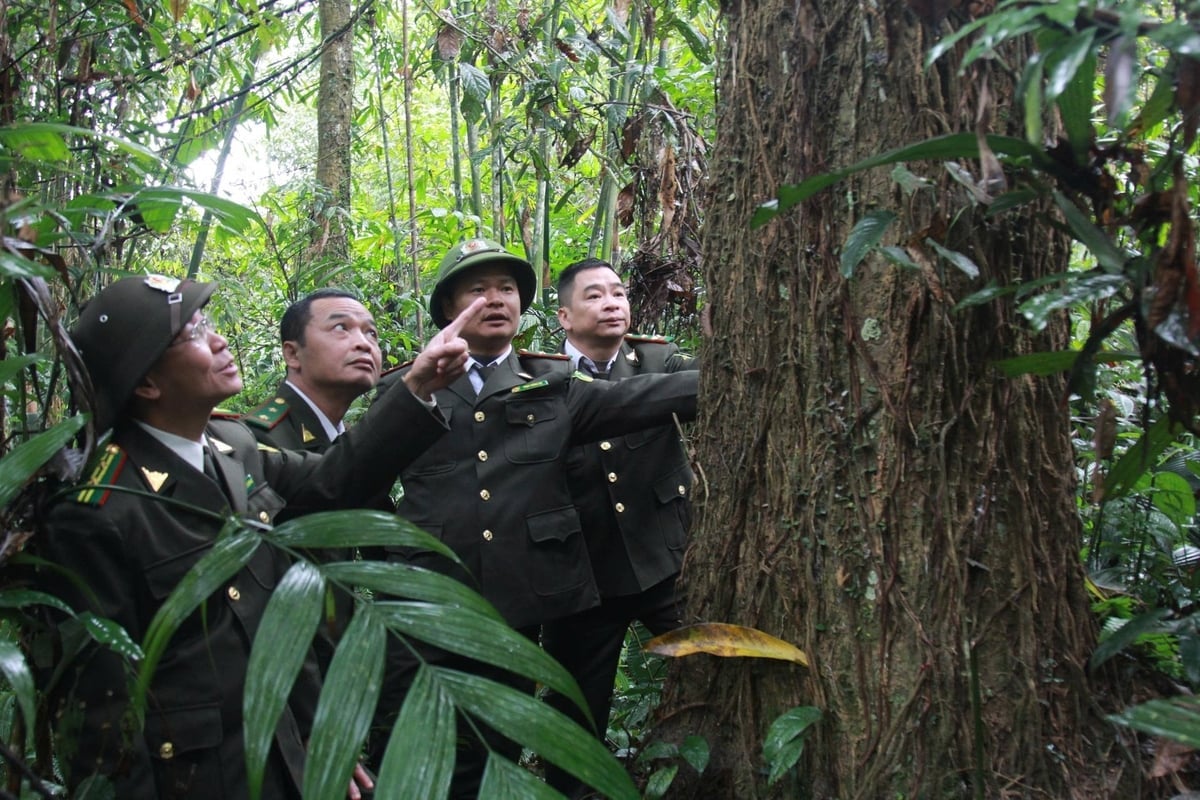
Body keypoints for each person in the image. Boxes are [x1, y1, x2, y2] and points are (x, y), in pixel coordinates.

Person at [36, 273, 481, 799]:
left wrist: (317, 742)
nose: (220, 341)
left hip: (282, 756)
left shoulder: (232, 444)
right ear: (147, 384)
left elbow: (334, 484)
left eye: (208, 324)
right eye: (193, 335)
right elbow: (102, 718)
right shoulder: (97, 510)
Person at [367, 238, 700, 797]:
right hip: (435, 606)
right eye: (478, 290)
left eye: (507, 289)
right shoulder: (408, 390)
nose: (496, 299)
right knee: (414, 747)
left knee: (502, 743)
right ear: (449, 309)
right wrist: (395, 575)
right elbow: (361, 486)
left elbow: (646, 397)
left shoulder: (551, 386)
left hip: (523, 605)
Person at [541, 258, 697, 797]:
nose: (613, 303)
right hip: (585, 584)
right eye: (595, 296)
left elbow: (715, 383)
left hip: (666, 563)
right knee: (573, 721)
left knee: (718, 674)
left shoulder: (656, 358)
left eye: (619, 293)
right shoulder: (539, 381)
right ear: (564, 315)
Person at [242, 288, 382, 452]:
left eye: (371, 333)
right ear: (293, 354)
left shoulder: (346, 435)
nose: (364, 343)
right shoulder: (258, 438)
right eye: (340, 328)